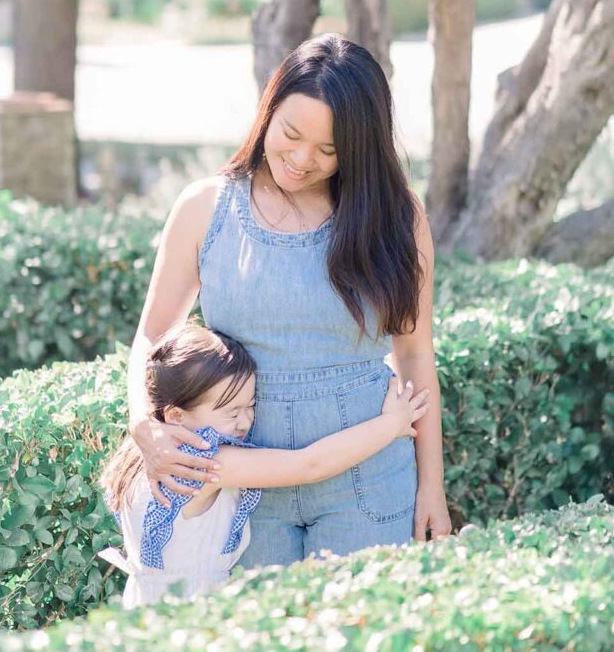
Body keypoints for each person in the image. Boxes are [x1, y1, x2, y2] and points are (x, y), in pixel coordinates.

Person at [126, 33, 452, 570]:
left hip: (370, 477)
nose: (302, 161)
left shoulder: (396, 216)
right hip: (243, 483)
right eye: (291, 135)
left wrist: (432, 488)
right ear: (268, 110)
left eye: (329, 150)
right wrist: (145, 425)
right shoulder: (206, 207)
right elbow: (153, 336)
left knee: (359, 643)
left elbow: (415, 355)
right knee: (260, 649)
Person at [99, 320, 429, 607]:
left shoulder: (137, 455)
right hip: (191, 610)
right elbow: (308, 465)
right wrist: (390, 425)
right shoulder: (203, 462)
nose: (245, 421)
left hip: (145, 603)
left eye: (251, 405)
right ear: (176, 416)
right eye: (231, 412)